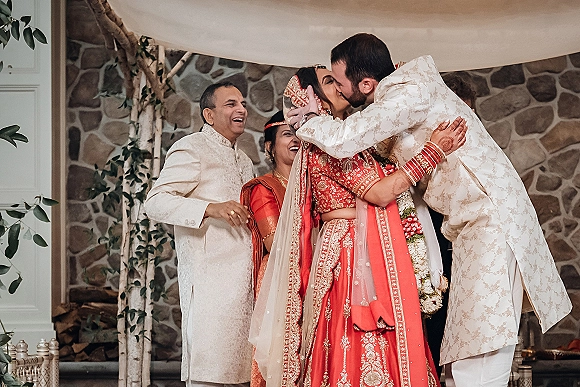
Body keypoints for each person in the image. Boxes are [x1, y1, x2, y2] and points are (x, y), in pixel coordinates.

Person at [289, 33, 572, 387]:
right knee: (460, 357)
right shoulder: (399, 91)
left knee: (481, 349)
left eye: (340, 82)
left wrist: (307, 122)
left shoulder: (408, 92)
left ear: (365, 83)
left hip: (490, 221)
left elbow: (347, 139)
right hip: (472, 225)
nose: (340, 91)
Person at [250, 66, 467, 387]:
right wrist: (433, 152)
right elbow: (379, 192)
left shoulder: (343, 136)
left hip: (367, 245)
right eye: (328, 81)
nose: (339, 83)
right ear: (311, 99)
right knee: (359, 340)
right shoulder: (328, 142)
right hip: (349, 257)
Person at [144, 81, 255, 387]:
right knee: (211, 374)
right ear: (209, 115)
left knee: (243, 375)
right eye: (231, 104)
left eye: (243, 103)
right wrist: (209, 208)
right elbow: (155, 203)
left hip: (245, 289)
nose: (241, 109)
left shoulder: (244, 160)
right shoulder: (191, 147)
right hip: (211, 290)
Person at [240, 111, 299, 387]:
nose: (296, 139)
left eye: (299, 132)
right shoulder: (264, 188)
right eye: (288, 134)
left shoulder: (314, 184)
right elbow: (274, 244)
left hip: (313, 271)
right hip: (281, 278)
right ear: (269, 147)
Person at [425, 73, 477, 377]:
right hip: (432, 262)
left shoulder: (483, 158)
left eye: (467, 120)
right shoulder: (424, 154)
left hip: (468, 261)